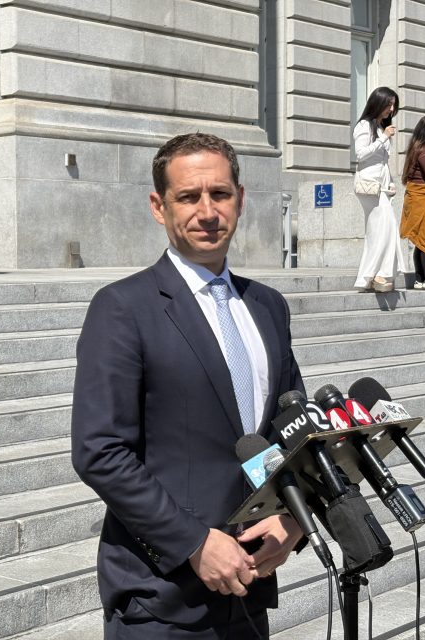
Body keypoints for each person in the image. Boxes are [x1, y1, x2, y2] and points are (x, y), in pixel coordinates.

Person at [71, 133, 304, 639]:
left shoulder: (268, 307)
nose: (207, 211)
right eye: (188, 197)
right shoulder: (122, 309)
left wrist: (292, 517)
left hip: (249, 588)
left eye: (219, 194)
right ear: (159, 207)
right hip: (162, 598)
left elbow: (291, 432)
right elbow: (99, 450)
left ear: (241, 200)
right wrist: (194, 542)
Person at [352, 86, 405, 293]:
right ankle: (378, 275)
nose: (391, 109)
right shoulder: (364, 126)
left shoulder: (381, 126)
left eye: (393, 105)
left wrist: (391, 180)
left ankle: (372, 277)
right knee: (386, 227)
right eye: (388, 104)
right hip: (369, 186)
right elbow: (361, 154)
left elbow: (383, 161)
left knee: (380, 230)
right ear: (378, 103)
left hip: (381, 186)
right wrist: (383, 138)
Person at [400, 115, 425, 291]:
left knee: (420, 239)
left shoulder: (418, 148)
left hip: (417, 197)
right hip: (424, 197)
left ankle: (420, 279)